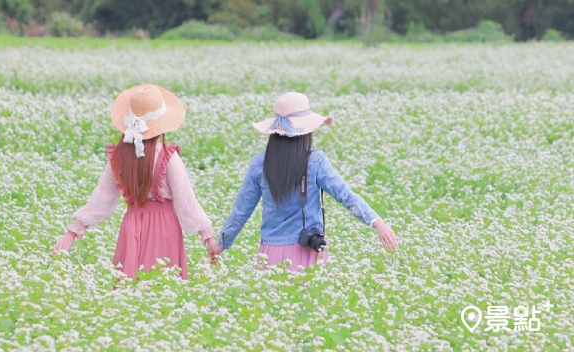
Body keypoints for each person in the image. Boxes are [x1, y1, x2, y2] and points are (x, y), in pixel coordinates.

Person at [209, 92, 398, 272]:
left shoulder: (260, 163)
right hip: (307, 249)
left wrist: (221, 244)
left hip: (270, 252)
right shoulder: (315, 161)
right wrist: (376, 222)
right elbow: (344, 195)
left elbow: (241, 210)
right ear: (307, 131)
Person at [52, 84, 217, 280]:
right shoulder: (168, 158)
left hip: (132, 226)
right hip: (165, 229)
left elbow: (101, 198)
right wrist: (209, 238)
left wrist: (73, 231)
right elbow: (186, 202)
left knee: (130, 286)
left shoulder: (120, 157)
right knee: (162, 287)